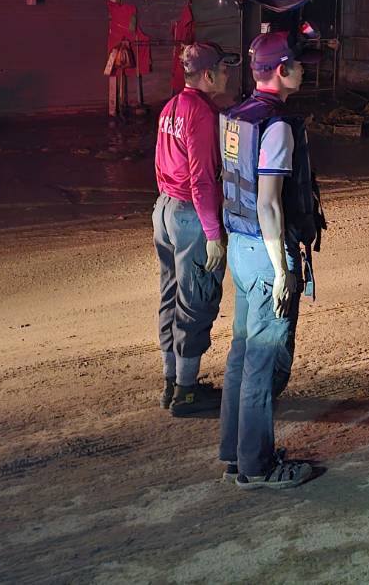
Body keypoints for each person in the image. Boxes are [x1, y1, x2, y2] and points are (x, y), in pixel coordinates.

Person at [217, 28, 326, 490]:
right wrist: (282, 269)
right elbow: (269, 204)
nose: (304, 71)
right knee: (265, 365)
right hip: (266, 254)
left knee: (242, 356)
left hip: (240, 248)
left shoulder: (238, 116)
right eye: (299, 65)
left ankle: (235, 454)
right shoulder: (276, 126)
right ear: (282, 70)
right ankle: (257, 466)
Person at [152, 40, 238, 416]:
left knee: (171, 296)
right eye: (223, 68)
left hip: (165, 209)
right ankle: (187, 393)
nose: (228, 74)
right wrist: (214, 234)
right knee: (196, 299)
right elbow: (202, 179)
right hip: (191, 215)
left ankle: (171, 383)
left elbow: (161, 164)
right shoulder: (201, 112)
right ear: (208, 74)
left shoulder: (171, 107)